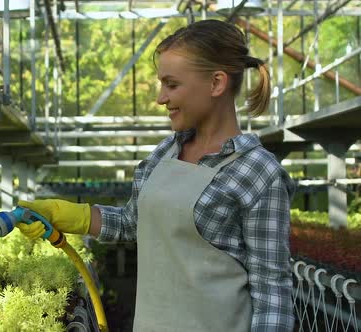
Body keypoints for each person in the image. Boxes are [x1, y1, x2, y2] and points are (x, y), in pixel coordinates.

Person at [17, 19, 295, 332]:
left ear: (216, 83)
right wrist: (72, 215)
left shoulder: (258, 171)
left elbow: (272, 291)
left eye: (172, 85)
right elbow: (130, 224)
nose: (161, 98)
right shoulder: (166, 152)